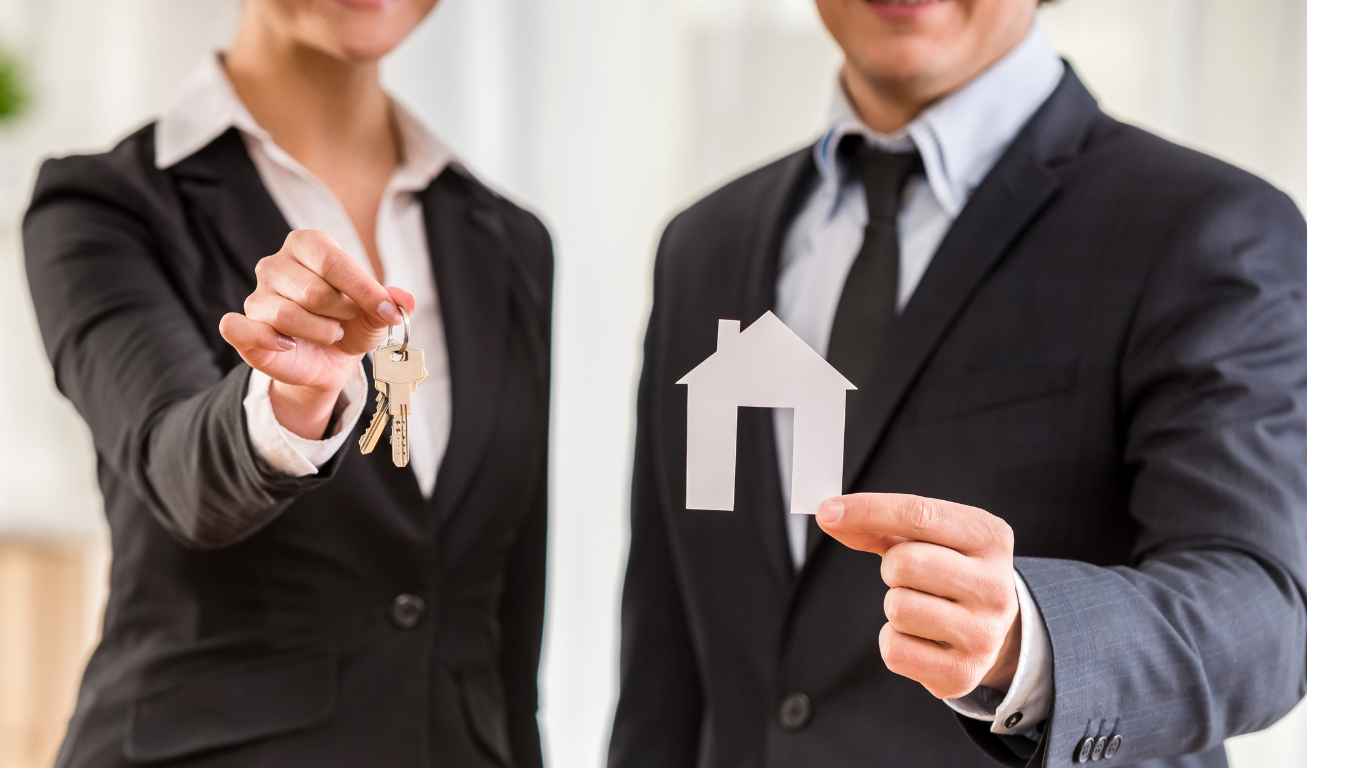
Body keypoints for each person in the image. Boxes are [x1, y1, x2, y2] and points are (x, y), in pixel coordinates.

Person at [609, 0, 1304, 766]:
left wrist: (1028, 643)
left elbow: (1261, 615)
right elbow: (664, 671)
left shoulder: (1201, 226)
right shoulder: (702, 246)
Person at [24, 1, 551, 766]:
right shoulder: (105, 209)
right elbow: (175, 468)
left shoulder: (510, 244)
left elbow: (504, 619)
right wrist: (291, 403)